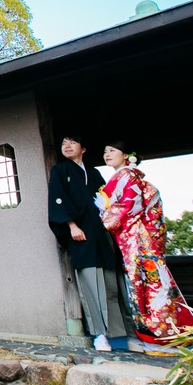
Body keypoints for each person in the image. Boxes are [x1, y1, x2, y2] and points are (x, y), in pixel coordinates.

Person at [96, 141, 193, 351]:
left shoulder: (128, 176)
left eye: (112, 150)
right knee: (146, 284)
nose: (107, 154)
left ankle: (162, 333)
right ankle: (158, 333)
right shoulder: (124, 176)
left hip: (136, 239)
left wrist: (104, 213)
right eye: (105, 151)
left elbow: (130, 206)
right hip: (133, 238)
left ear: (126, 156)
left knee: (148, 285)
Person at [47, 134, 126, 352]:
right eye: (63, 143)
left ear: (83, 148)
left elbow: (108, 203)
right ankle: (99, 334)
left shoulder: (94, 173)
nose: (67, 146)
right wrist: (71, 226)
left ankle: (118, 334)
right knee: (91, 284)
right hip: (80, 233)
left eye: (72, 142)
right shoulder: (60, 171)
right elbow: (57, 198)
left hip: (101, 233)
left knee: (110, 283)